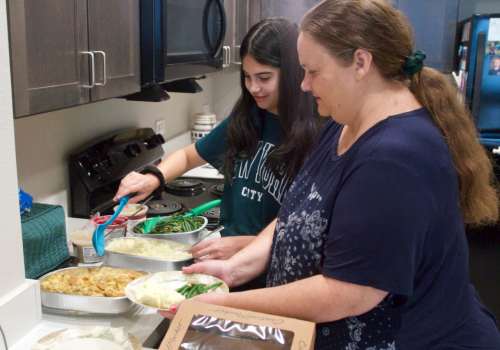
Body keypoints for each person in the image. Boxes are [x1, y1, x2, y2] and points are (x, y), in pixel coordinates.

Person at [176, 0, 500, 349]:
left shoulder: (394, 157)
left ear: (361, 62)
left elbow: (350, 292)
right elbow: (294, 217)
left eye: (312, 71)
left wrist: (225, 305)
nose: (303, 84)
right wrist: (236, 269)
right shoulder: (344, 124)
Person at [114, 18, 319, 262]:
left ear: (293, 73)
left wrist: (247, 245)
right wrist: (153, 178)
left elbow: (307, 229)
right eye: (247, 77)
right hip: (228, 262)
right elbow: (188, 155)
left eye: (264, 78)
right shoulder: (248, 117)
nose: (254, 88)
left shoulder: (317, 134)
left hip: (273, 270)